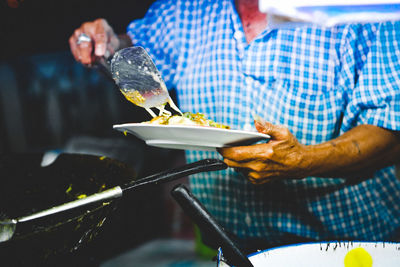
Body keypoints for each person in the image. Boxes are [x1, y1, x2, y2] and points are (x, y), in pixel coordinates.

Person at [69, 0, 400, 251]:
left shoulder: (361, 11)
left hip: (345, 243)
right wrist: (109, 47)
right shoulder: (185, 10)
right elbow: (139, 62)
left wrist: (302, 161)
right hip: (228, 239)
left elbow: (391, 130)